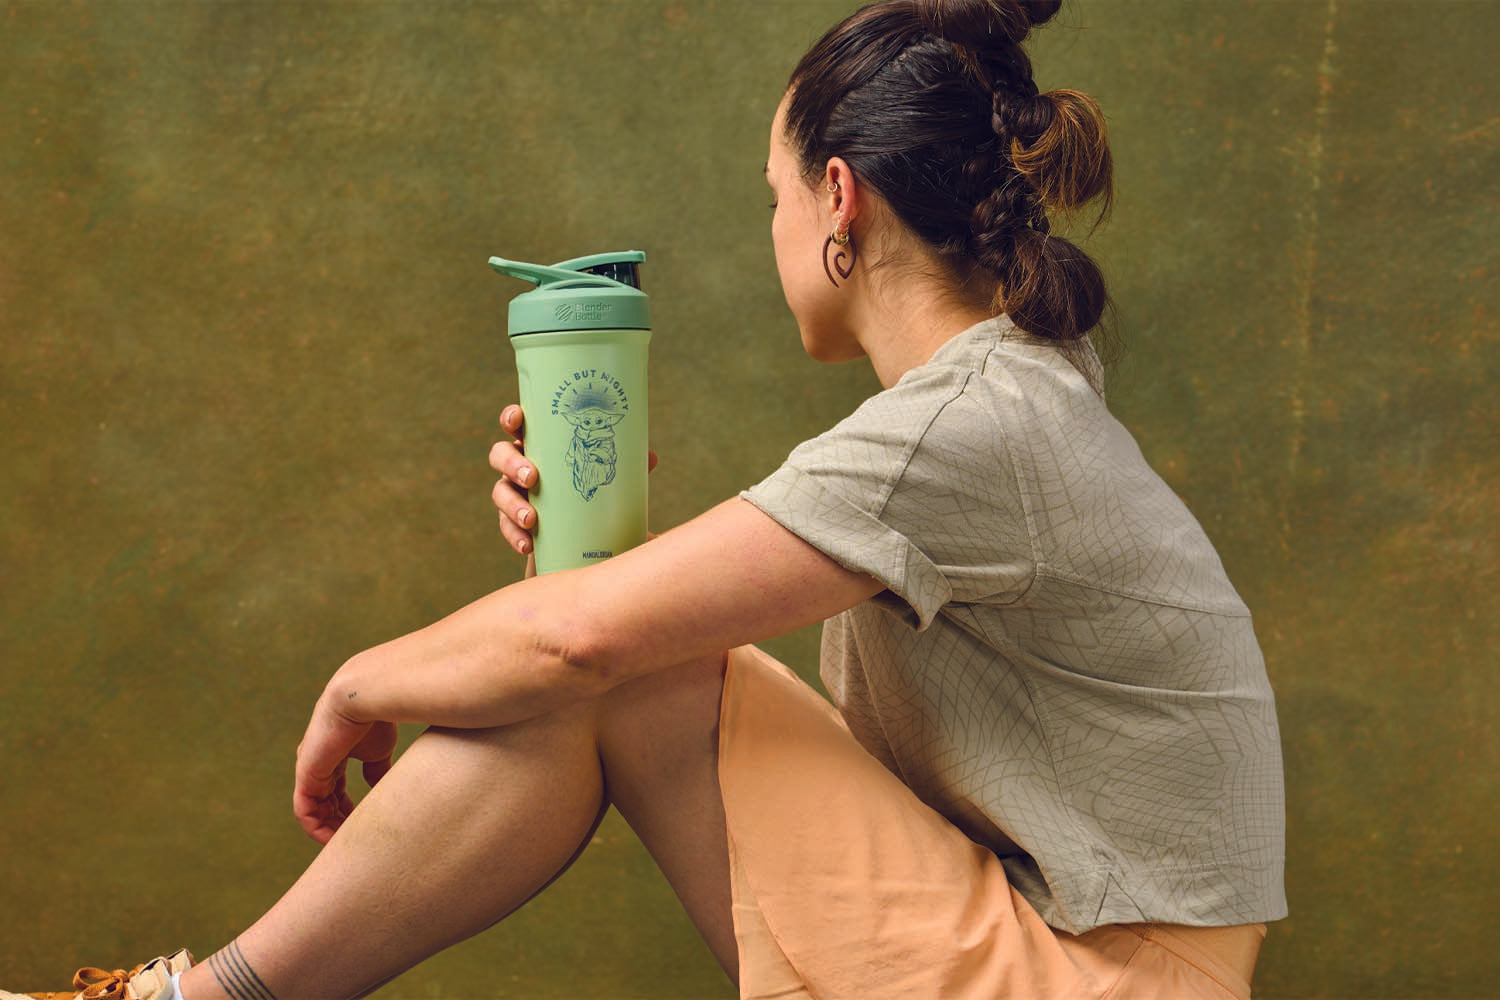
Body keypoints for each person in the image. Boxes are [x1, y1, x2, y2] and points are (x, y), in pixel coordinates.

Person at [6, 1, 1286, 998]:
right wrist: (582, 550)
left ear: (840, 198)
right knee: (623, 651)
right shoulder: (1004, 399)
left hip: (1090, 974)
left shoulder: (967, 427)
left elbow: (585, 647)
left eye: (774, 197)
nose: (771, 226)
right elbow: (593, 636)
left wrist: (359, 682)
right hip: (1058, 938)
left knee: (616, 659)